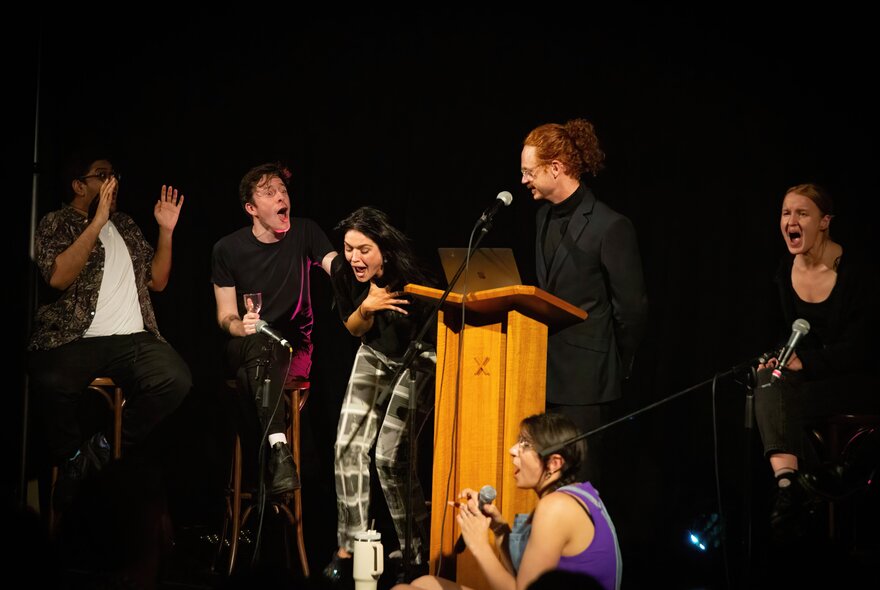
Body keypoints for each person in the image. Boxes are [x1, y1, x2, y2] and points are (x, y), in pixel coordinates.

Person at [28, 150, 191, 508]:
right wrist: (97, 221)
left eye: (114, 174)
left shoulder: (128, 226)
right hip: (76, 339)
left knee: (175, 378)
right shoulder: (57, 222)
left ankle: (99, 450)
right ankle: (71, 461)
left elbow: (158, 281)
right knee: (49, 381)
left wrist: (166, 231)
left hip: (133, 341)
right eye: (102, 175)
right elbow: (57, 277)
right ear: (78, 185)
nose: (112, 182)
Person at [521, 119, 648, 481]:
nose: (524, 180)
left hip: (587, 381)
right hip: (542, 374)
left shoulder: (610, 225)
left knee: (579, 482)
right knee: (545, 480)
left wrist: (615, 361)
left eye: (529, 172)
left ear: (556, 168)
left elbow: (632, 308)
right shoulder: (543, 216)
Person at [754, 183, 879, 539]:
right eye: (785, 213)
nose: (791, 221)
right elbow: (776, 334)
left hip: (855, 379)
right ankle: (792, 487)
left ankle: (803, 495)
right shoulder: (783, 271)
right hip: (808, 381)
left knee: (779, 406)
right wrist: (775, 359)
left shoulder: (855, 273)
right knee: (766, 384)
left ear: (824, 222)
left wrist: (805, 363)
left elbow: (861, 351)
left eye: (801, 213)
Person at [322, 206, 437, 584]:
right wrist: (367, 307)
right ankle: (351, 543)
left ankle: (416, 551)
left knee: (390, 457)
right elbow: (353, 328)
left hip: (421, 358)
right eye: (349, 247)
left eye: (364, 249)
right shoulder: (343, 271)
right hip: (374, 352)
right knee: (347, 445)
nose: (355, 257)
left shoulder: (410, 276)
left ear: (383, 250)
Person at [211, 161, 336, 496]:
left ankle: (265, 460)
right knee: (259, 348)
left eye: (283, 190)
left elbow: (333, 264)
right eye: (270, 192)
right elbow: (225, 316)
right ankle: (279, 451)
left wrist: (355, 264)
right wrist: (242, 325)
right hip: (247, 343)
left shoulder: (305, 231)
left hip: (293, 347)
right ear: (251, 208)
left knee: (248, 377)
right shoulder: (227, 249)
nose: (282, 196)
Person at [393, 412, 622, 590]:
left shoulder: (556, 508)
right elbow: (524, 576)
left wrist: (479, 545)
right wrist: (499, 528)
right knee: (426, 583)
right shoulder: (579, 494)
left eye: (525, 444)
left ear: (554, 463)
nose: (513, 450)